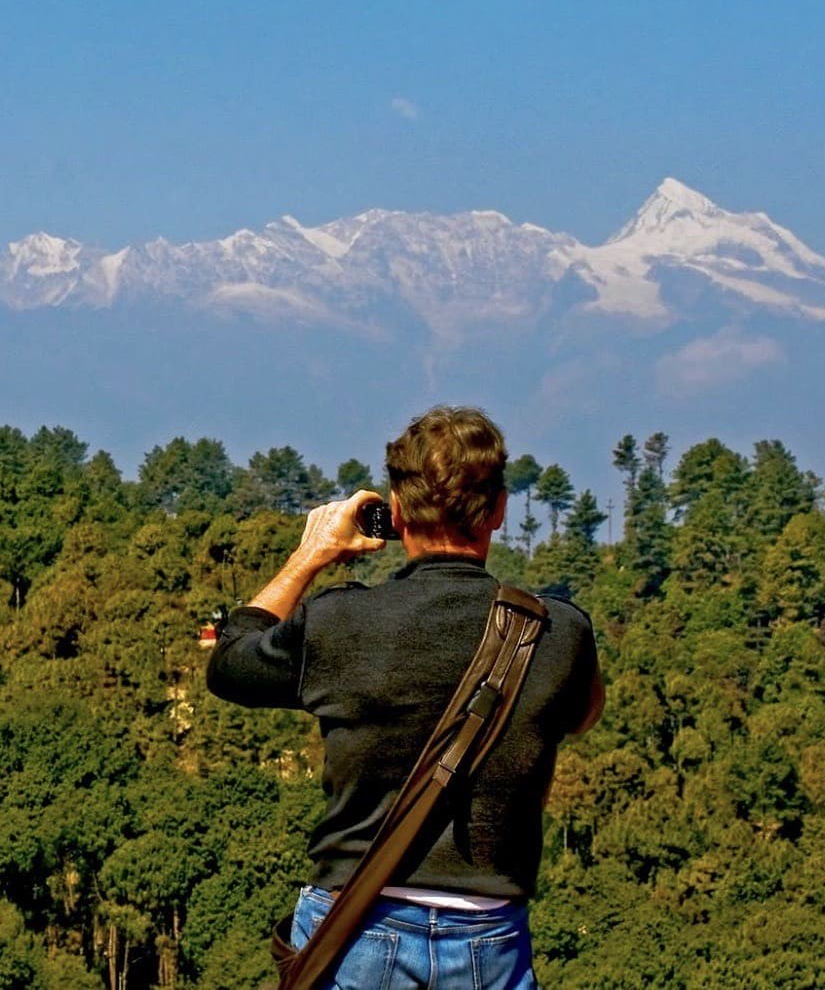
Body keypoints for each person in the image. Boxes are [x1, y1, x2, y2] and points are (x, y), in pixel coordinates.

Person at [207, 406, 603, 989]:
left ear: (394, 513)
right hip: (488, 936)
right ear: (497, 509)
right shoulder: (559, 633)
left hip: (353, 926)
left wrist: (310, 555)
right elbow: (582, 715)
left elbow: (229, 664)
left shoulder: (341, 622)